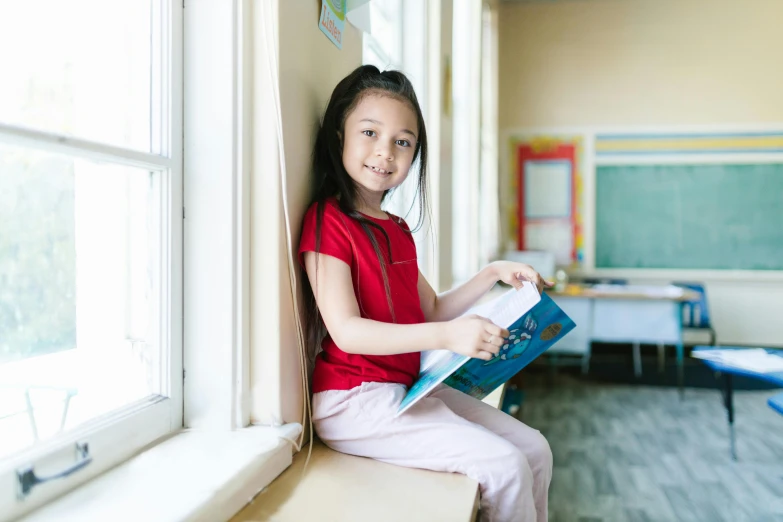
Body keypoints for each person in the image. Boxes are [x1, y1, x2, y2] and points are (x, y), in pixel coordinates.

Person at [298, 65, 553, 522]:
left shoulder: (396, 230)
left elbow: (430, 309)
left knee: (535, 449)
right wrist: (447, 337)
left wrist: (492, 273)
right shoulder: (326, 222)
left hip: (402, 387)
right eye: (370, 132)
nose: (386, 152)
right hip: (352, 400)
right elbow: (347, 331)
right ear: (340, 135)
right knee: (507, 467)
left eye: (403, 141)